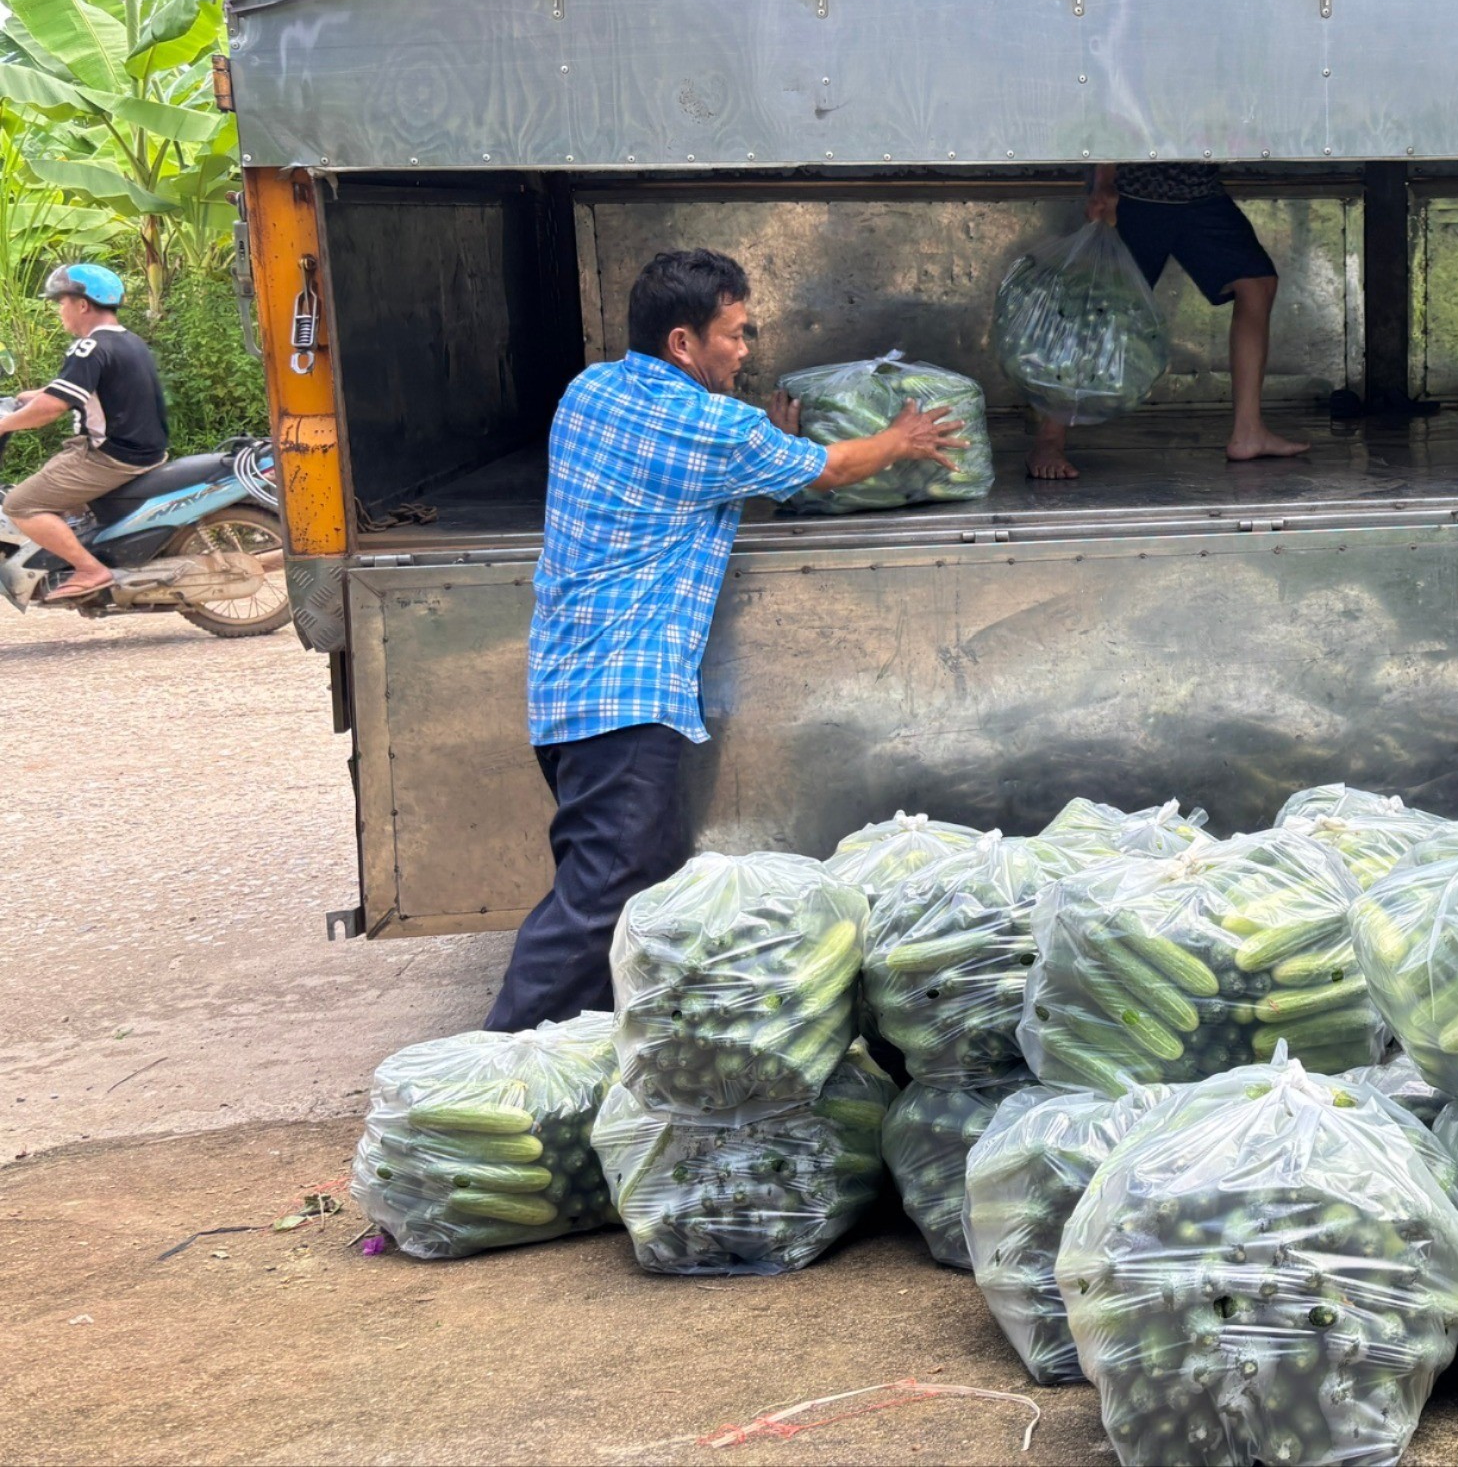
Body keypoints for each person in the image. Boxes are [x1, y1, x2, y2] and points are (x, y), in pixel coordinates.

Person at [485, 247, 968, 1030]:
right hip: (627, 702)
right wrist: (900, 439)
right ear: (684, 343)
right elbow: (833, 468)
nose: (745, 351)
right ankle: (490, 1076)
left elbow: (696, 470)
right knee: (603, 897)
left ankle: (596, 1064)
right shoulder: (706, 424)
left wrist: (759, 441)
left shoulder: (591, 391)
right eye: (735, 335)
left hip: (566, 691)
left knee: (628, 900)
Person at [1029, 163, 1310, 480]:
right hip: (1137, 194)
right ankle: (1050, 439)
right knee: (1100, 308)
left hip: (1199, 193)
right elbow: (1114, 114)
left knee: (1256, 284)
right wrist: (1104, 182)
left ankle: (1249, 433)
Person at [0, 264, 168, 601]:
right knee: (51, 479)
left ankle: (91, 569)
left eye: (61, 302)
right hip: (140, 448)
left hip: (110, 456)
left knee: (20, 504)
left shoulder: (88, 348)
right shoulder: (126, 341)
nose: (60, 310)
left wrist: (4, 423)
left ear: (82, 305)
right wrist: (26, 397)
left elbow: (50, 410)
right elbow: (77, 392)